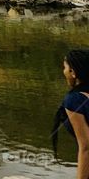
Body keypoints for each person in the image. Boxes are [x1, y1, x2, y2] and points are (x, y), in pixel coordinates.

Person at [53, 48, 89, 179]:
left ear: (73, 72)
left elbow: (86, 147)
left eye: (65, 67)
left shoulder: (74, 100)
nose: (63, 71)